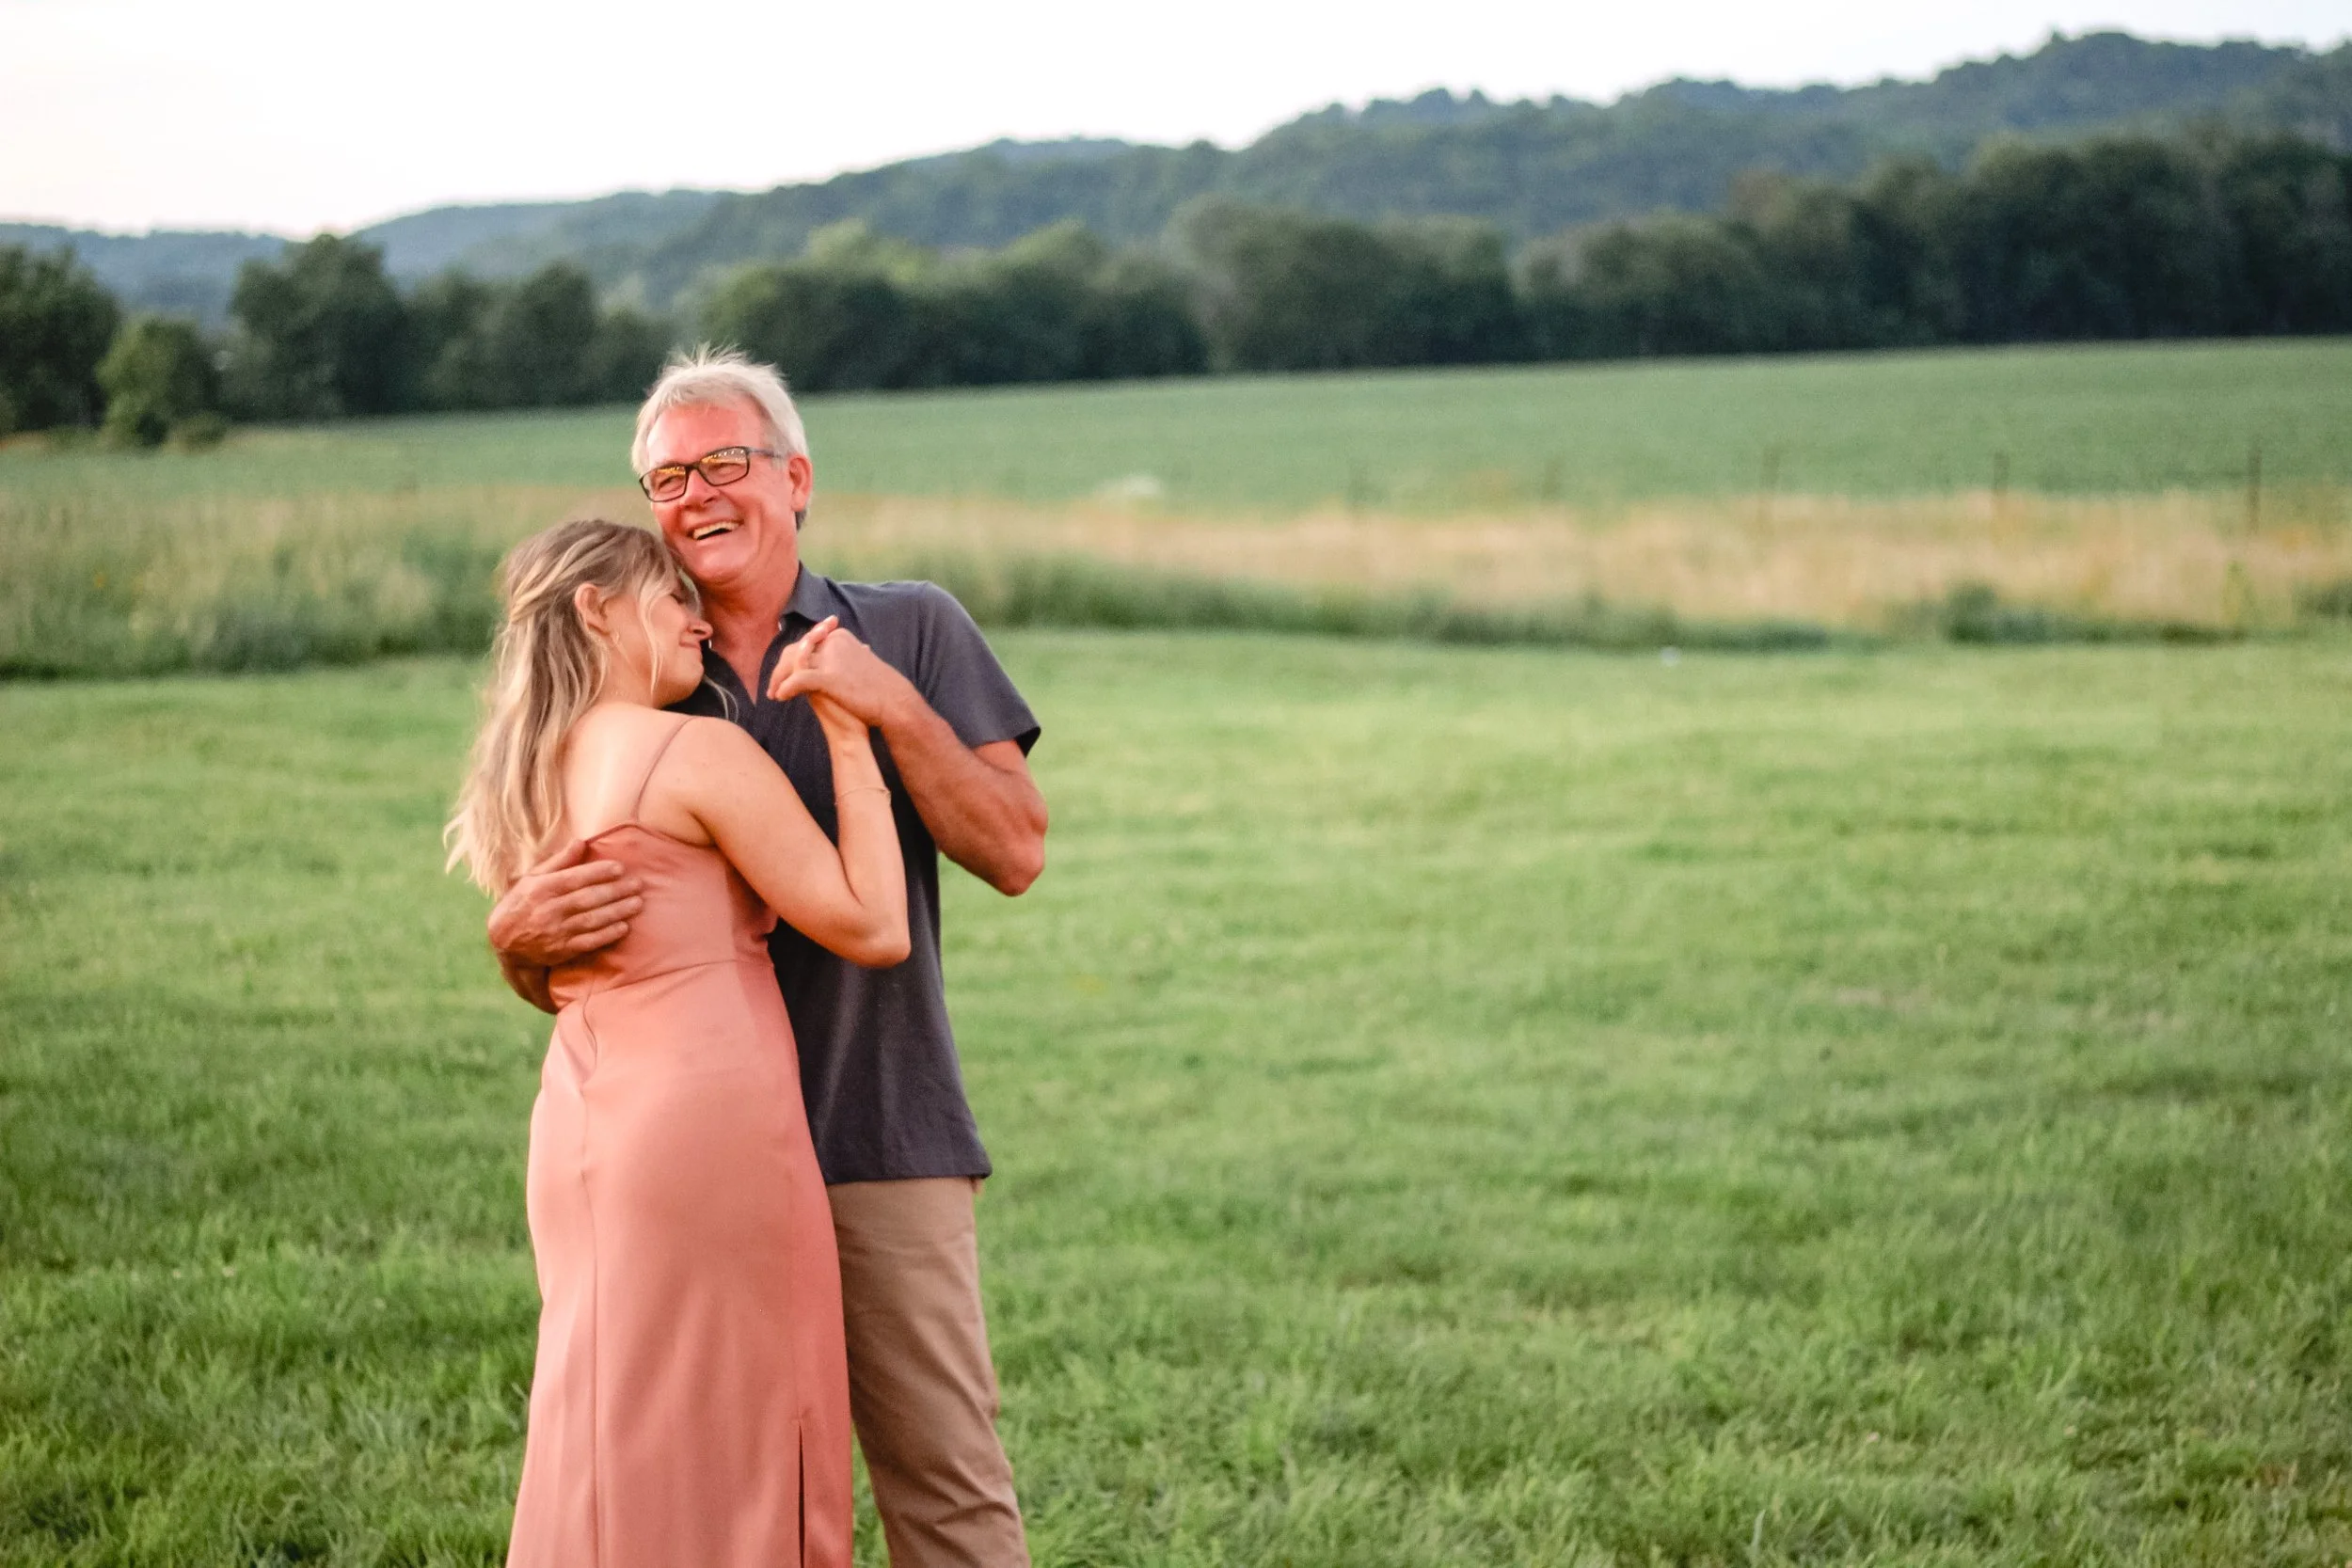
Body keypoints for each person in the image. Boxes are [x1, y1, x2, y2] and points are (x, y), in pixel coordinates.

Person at [486, 348, 1047, 1568]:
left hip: (874, 1126)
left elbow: (1015, 849)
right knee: (715, 1486)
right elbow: (568, 906)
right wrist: (515, 943)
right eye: (667, 475)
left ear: (796, 478)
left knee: (946, 1495)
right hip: (700, 1169)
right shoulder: (638, 682)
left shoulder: (913, 623)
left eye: (723, 461)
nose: (695, 493)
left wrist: (885, 701)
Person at [447, 517, 910, 1567]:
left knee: (610, 1420)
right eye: (671, 599)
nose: (699, 620)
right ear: (594, 609)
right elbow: (873, 923)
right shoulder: (692, 749)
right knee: (749, 1426)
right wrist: (846, 728)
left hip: (584, 1122)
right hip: (712, 1127)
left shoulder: (525, 779)